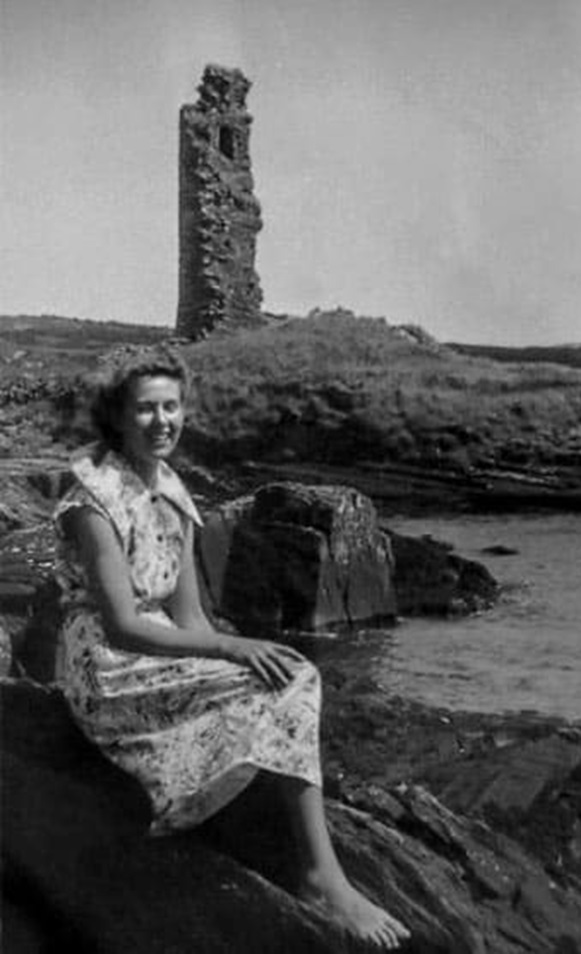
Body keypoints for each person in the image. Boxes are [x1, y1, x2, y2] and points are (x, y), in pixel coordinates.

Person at [53, 346, 409, 949]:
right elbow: (119, 625)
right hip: (107, 664)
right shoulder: (94, 496)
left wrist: (237, 650)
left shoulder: (172, 487)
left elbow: (191, 613)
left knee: (291, 673)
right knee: (282, 676)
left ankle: (308, 854)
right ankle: (324, 879)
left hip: (159, 644)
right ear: (116, 415)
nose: (162, 421)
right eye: (145, 409)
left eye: (171, 407)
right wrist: (234, 648)